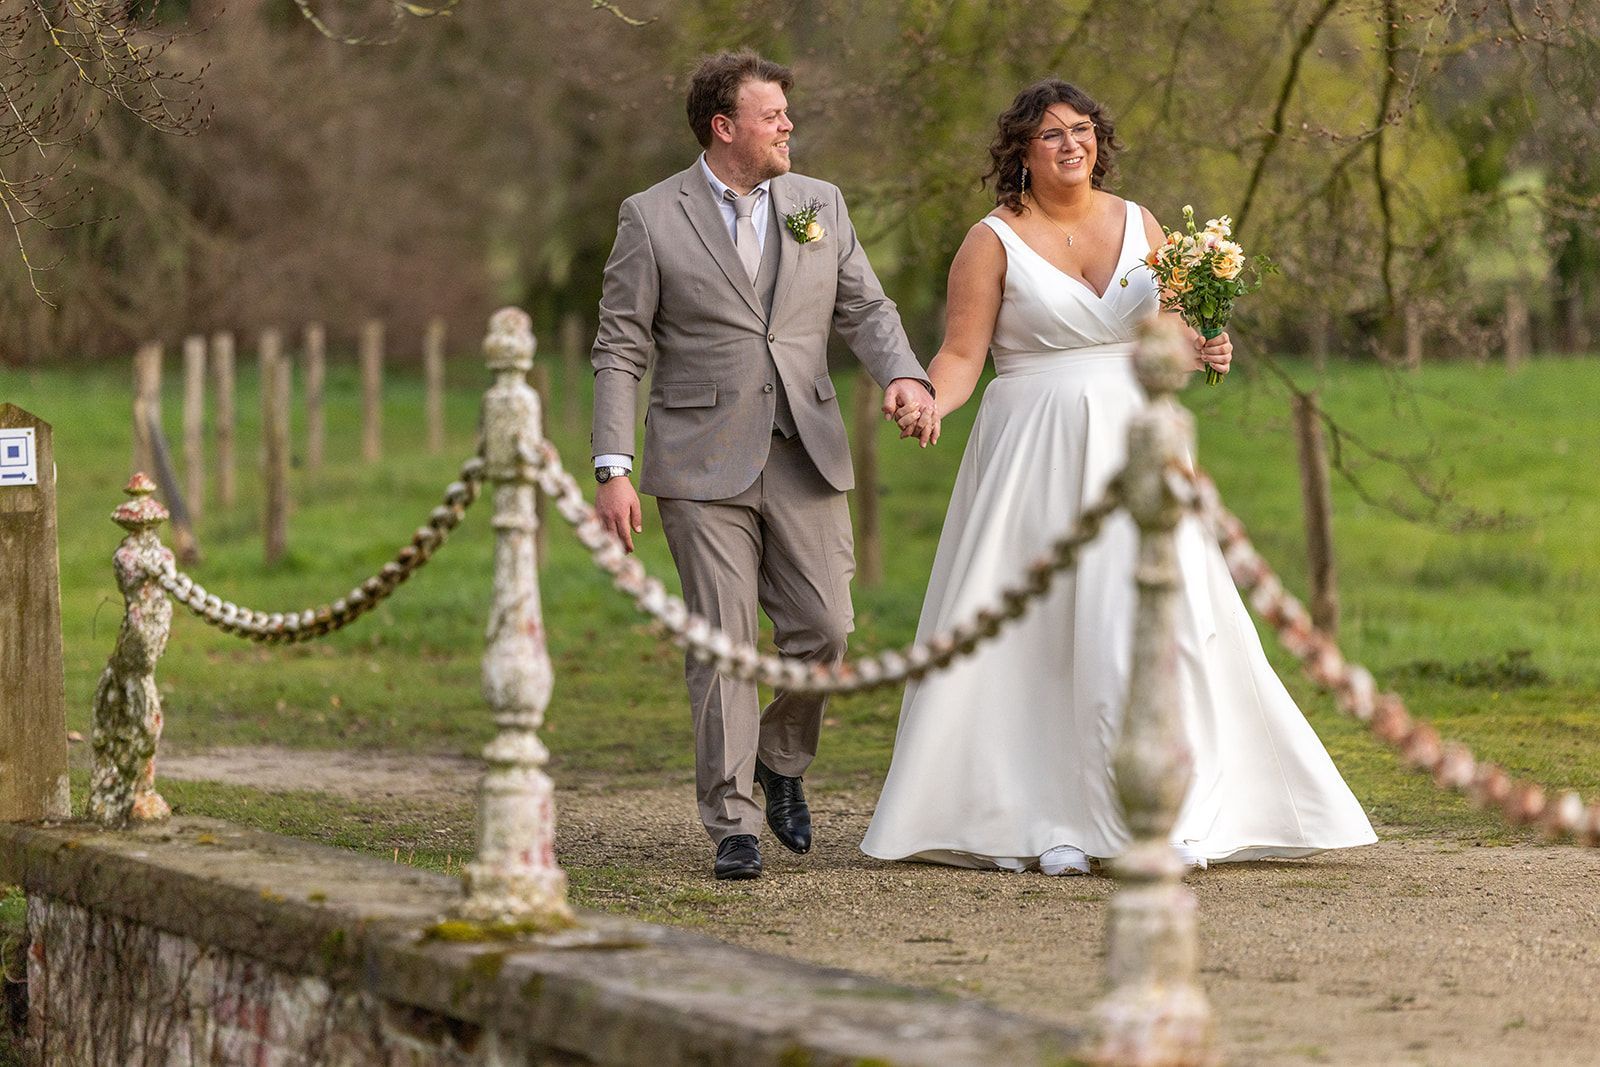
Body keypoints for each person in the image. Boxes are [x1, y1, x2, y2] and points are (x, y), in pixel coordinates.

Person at [860, 80, 1376, 874]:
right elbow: (964, 354)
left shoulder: (1142, 223)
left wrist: (1207, 343)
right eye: (1050, 134)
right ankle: (1053, 815)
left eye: (1082, 130)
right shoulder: (992, 239)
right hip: (1038, 453)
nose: (1072, 144)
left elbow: (1168, 331)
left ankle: (1167, 810)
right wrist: (930, 397)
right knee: (1047, 634)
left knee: (1156, 621)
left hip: (1140, 443)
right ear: (1021, 154)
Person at [590, 50, 934, 881]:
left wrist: (905, 374)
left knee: (828, 627)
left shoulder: (819, 203)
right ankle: (733, 819)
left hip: (805, 450)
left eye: (786, 114)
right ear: (725, 127)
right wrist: (613, 465)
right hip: (699, 460)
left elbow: (866, 307)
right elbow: (620, 343)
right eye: (772, 114)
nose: (788, 126)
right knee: (723, 642)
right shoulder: (650, 215)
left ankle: (780, 756)